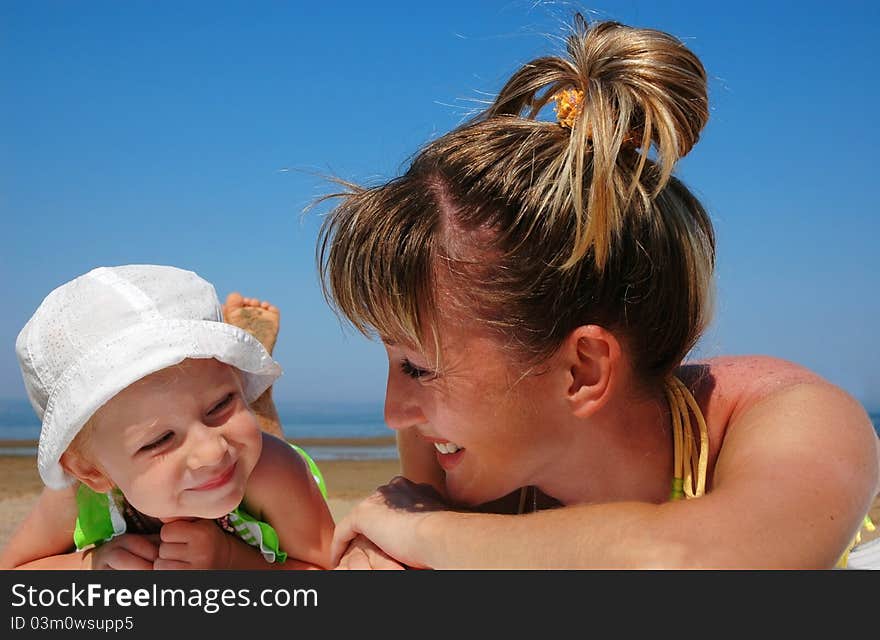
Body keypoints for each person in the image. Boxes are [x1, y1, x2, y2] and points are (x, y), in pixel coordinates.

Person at [319, 16, 880, 569]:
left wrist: (423, 532)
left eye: (418, 366)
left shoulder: (788, 419)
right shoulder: (448, 454)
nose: (393, 413)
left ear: (584, 370)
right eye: (394, 362)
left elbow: (692, 563)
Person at [0, 264, 334, 570]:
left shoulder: (275, 473)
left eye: (221, 404)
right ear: (90, 470)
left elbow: (332, 571)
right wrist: (90, 565)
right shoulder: (81, 492)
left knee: (263, 437)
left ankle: (256, 398)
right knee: (241, 430)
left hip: (263, 476)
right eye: (161, 439)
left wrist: (233, 561)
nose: (211, 452)